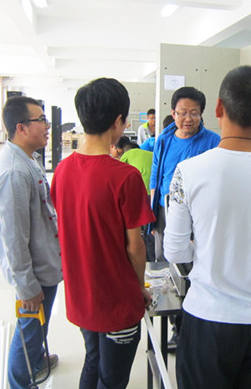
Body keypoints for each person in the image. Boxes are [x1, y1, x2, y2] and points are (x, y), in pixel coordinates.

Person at [164, 65, 251, 389]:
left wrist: (207, 256)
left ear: (217, 108)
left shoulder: (188, 171)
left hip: (206, 315)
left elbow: (174, 250)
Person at [50, 78, 155, 389]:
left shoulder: (62, 170)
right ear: (118, 121)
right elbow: (135, 247)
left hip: (82, 295)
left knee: (93, 360)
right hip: (116, 301)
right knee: (112, 379)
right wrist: (140, 286)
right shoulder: (125, 176)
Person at [0, 96, 62, 389]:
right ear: (21, 128)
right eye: (41, 120)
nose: (47, 126)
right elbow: (14, 238)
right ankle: (21, 381)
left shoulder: (27, 158)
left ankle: (35, 362)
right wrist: (27, 286)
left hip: (44, 264)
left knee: (37, 328)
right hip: (34, 274)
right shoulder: (14, 172)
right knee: (29, 331)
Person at [149, 86, 220, 261]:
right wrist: (153, 215)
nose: (188, 118)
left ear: (201, 114)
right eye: (182, 113)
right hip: (165, 209)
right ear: (173, 113)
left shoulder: (213, 141)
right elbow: (155, 177)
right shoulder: (163, 140)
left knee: (195, 259)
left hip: (198, 212)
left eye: (194, 113)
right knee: (163, 257)